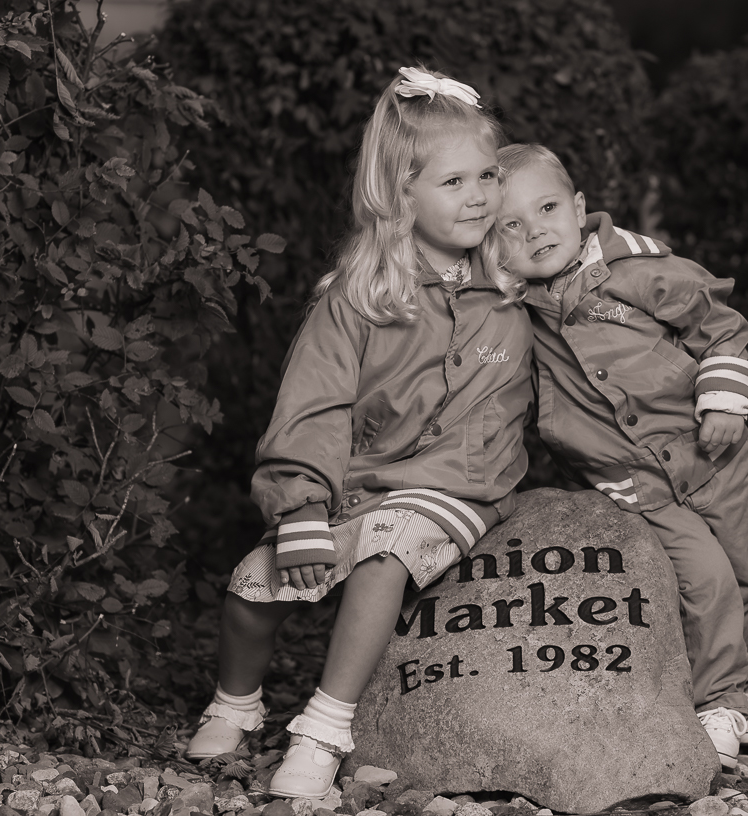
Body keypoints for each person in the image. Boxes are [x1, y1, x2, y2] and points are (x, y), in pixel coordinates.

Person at [185, 67, 533, 798]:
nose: (478, 197)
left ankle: (324, 727)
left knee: (385, 559)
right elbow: (314, 405)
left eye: (488, 176)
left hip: (459, 485)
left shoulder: (514, 283)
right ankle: (236, 702)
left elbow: (586, 252)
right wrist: (302, 506)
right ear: (398, 193)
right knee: (253, 588)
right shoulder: (358, 298)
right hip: (360, 481)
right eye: (452, 183)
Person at [495, 143, 748, 769]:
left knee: (740, 580)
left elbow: (722, 327)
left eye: (546, 209)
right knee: (705, 578)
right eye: (511, 225)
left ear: (580, 207)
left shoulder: (639, 271)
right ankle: (720, 702)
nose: (536, 229)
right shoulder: (516, 311)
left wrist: (725, 403)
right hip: (636, 480)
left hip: (713, 455)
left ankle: (746, 694)